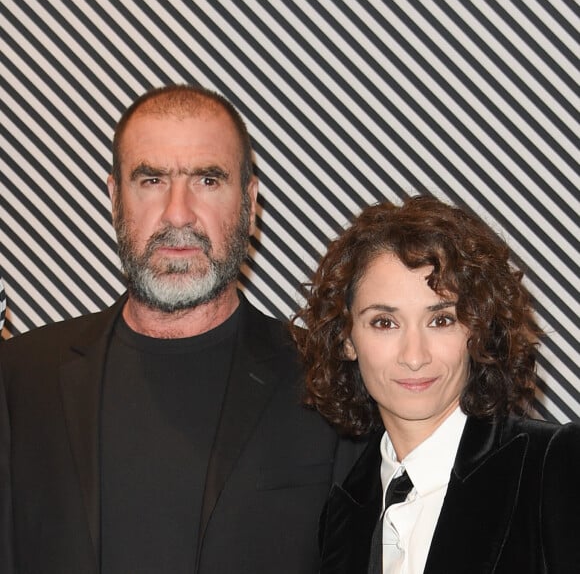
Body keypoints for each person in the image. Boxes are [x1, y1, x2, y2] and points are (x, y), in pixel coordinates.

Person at [0, 85, 360, 574]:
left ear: (250, 202)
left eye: (208, 180)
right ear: (114, 197)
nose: (177, 213)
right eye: (151, 180)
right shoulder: (20, 377)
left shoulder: (327, 384)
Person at [292, 195, 580, 573]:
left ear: (477, 328)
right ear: (347, 338)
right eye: (384, 322)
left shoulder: (554, 465)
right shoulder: (343, 512)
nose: (415, 356)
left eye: (441, 320)